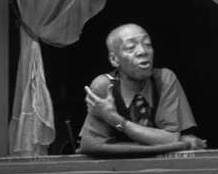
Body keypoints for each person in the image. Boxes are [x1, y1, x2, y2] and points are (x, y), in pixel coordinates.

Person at [78, 23, 207, 157]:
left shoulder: (164, 79)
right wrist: (179, 145)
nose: (142, 51)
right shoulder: (105, 86)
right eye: (131, 47)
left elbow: (170, 139)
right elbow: (92, 146)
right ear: (114, 59)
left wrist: (115, 119)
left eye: (147, 44)